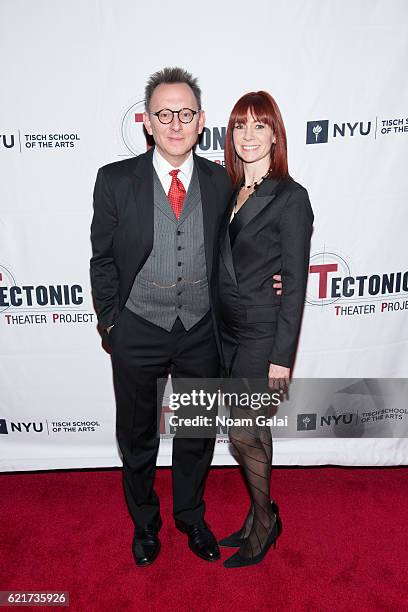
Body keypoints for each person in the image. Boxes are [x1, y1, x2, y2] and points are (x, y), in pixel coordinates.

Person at [218, 91, 314, 568]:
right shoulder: (224, 188)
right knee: (252, 431)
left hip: (262, 331)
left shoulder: (290, 197)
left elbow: (294, 283)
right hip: (227, 331)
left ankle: (266, 523)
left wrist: (282, 356)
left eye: (259, 126)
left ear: (275, 135)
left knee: (241, 431)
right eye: (240, 126)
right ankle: (259, 518)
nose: (248, 136)